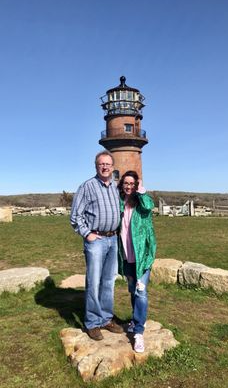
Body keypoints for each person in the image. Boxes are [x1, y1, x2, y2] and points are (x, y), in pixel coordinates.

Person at [70, 150, 123, 341]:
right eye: (102, 164)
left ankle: (106, 318)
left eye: (108, 164)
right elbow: (75, 216)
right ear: (96, 166)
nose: (105, 167)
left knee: (109, 281)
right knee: (93, 281)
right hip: (96, 240)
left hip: (113, 239)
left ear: (113, 166)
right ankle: (92, 322)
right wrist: (87, 234)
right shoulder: (87, 187)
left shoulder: (115, 187)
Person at [117, 170, 156, 353]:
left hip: (142, 256)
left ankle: (139, 332)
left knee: (141, 291)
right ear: (122, 184)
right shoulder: (119, 202)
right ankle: (136, 319)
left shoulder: (142, 201)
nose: (129, 186)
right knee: (132, 290)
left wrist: (141, 192)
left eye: (132, 184)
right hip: (126, 256)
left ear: (137, 185)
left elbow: (150, 206)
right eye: (126, 183)